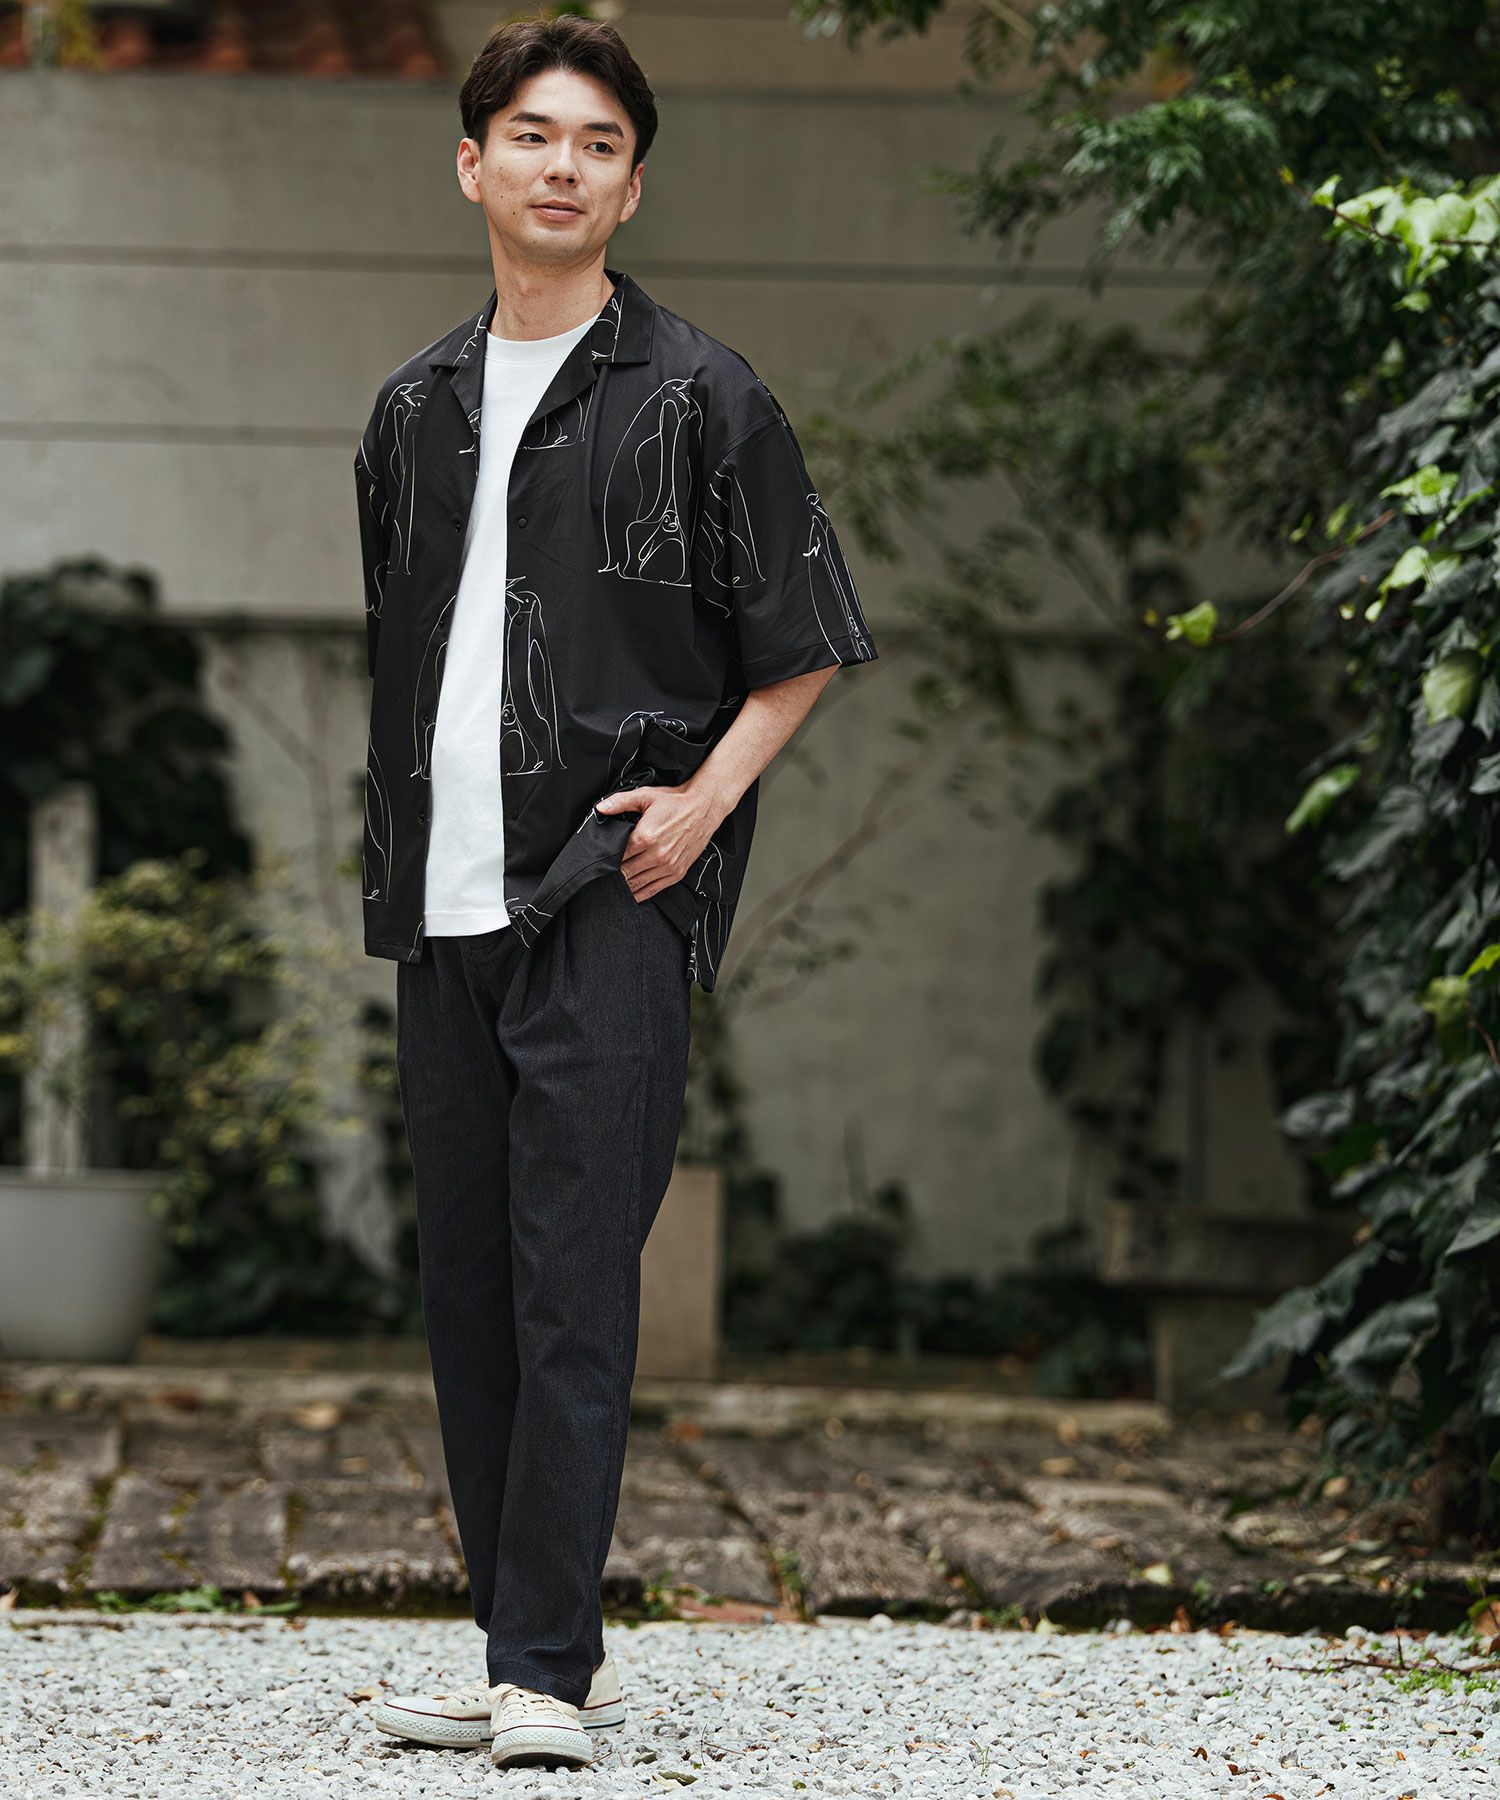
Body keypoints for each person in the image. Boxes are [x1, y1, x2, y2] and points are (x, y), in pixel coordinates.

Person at [354, 11, 879, 1774]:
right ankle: (517, 1644)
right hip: (442, 905)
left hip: (603, 894)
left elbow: (804, 636)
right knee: (469, 1298)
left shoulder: (705, 396)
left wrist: (702, 810)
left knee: (574, 1288)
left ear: (632, 184)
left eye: (597, 143)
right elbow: (408, 654)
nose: (562, 166)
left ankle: (547, 1674)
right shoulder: (412, 411)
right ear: (473, 163)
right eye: (532, 134)